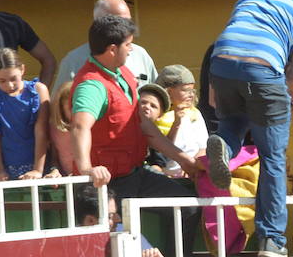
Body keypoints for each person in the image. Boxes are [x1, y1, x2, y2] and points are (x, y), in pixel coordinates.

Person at [206, 0, 293, 257]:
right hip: (263, 67)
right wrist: (280, 96)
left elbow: (230, 35)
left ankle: (225, 145)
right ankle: (271, 239)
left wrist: (213, 86)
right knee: (272, 157)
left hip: (222, 64)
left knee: (234, 119)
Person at [70, 15, 197, 209]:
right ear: (113, 49)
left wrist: (184, 159)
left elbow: (144, 125)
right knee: (115, 234)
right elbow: (80, 126)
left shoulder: (124, 75)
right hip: (105, 184)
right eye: (128, 45)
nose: (131, 50)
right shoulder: (92, 85)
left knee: (187, 207)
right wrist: (87, 168)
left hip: (134, 173)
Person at [55, 0, 157, 87]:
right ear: (99, 23)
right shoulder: (73, 61)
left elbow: (157, 97)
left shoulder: (140, 55)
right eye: (120, 21)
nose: (127, 27)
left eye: (129, 21)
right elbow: (58, 102)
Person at [0, 48, 50, 180]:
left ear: (22, 70)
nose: (10, 85)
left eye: (14, 79)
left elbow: (41, 131)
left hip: (36, 158)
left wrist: (37, 170)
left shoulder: (38, 90)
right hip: (7, 161)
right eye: (2, 81)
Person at [151, 66, 208, 178]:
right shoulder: (157, 117)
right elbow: (161, 152)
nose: (191, 94)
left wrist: (193, 166)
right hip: (165, 176)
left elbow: (203, 148)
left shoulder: (194, 114)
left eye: (193, 90)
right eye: (186, 90)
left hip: (192, 173)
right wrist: (176, 122)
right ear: (169, 92)